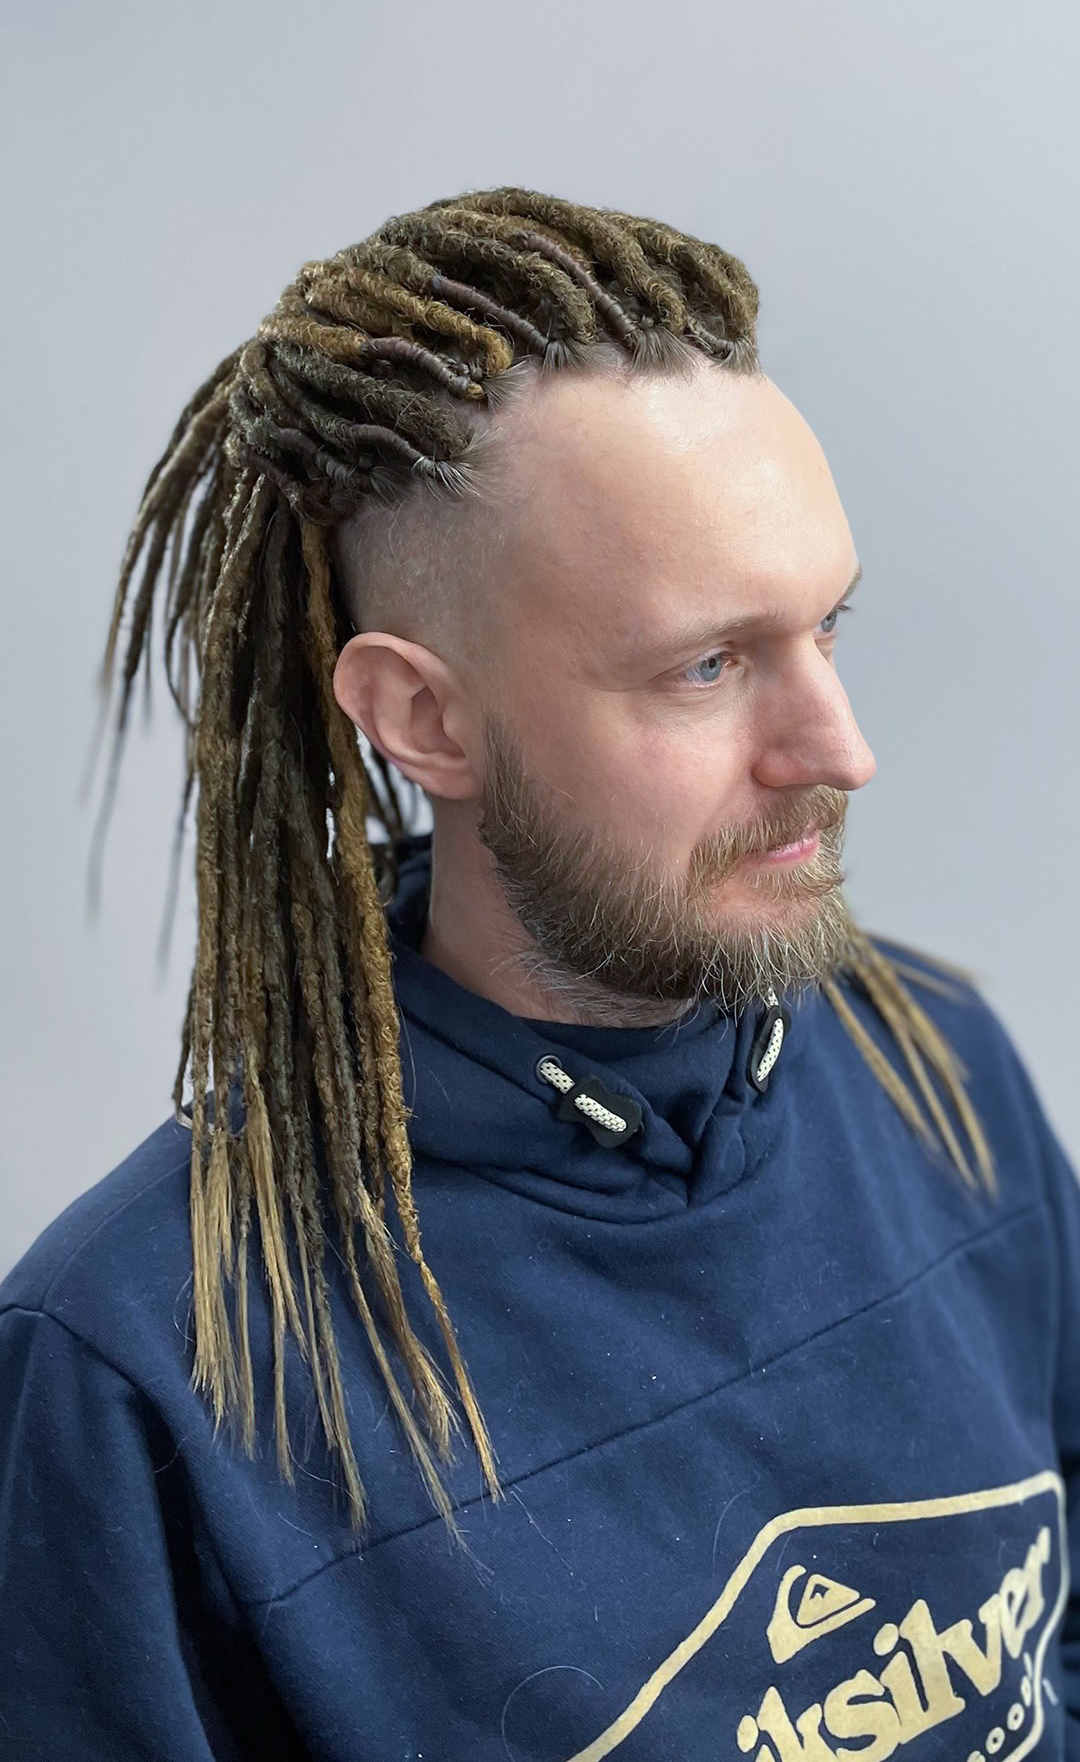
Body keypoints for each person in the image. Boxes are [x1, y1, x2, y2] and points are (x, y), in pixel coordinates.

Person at [1, 185, 1076, 1760]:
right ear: (425, 720)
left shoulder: (939, 1069)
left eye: (826, 628)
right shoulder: (149, 1371)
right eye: (708, 665)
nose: (840, 750)